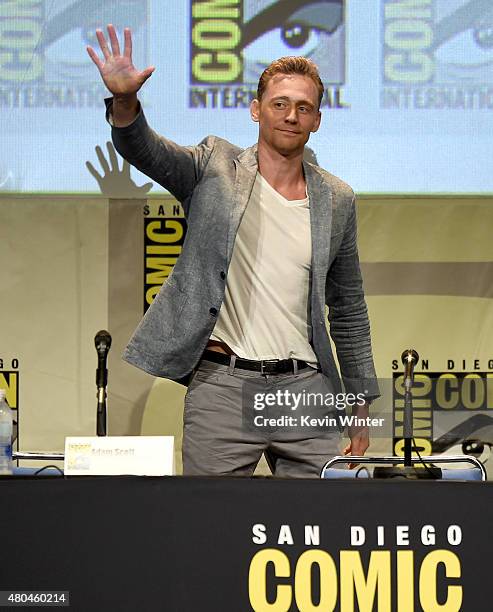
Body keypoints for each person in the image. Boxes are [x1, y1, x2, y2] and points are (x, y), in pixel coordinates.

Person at [87, 25, 379, 477]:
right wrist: (125, 103)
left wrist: (359, 401)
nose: (291, 115)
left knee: (317, 529)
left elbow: (348, 308)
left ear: (317, 119)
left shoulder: (337, 198)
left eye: (304, 107)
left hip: (305, 389)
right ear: (256, 109)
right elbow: (146, 150)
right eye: (280, 104)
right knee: (209, 531)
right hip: (220, 382)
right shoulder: (214, 167)